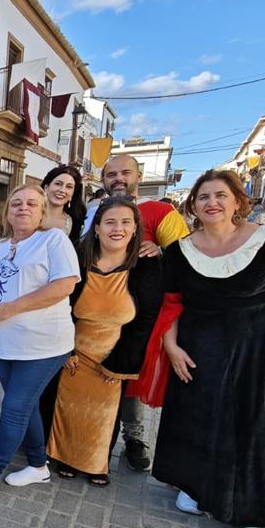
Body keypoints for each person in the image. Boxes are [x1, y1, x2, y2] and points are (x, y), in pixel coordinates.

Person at [136, 170, 265, 528]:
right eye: (203, 197)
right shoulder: (182, 251)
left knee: (253, 427)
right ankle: (198, 490)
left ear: (238, 201)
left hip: (257, 349)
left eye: (220, 195)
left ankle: (258, 514)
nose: (212, 203)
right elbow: (170, 305)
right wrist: (170, 346)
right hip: (197, 347)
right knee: (198, 416)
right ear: (193, 206)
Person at [0, 184, 80, 504]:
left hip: (44, 344)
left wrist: (9, 309)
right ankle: (37, 465)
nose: (23, 208)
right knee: (25, 405)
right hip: (3, 342)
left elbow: (64, 285)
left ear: (43, 210)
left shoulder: (53, 240)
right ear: (7, 212)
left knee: (15, 406)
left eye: (32, 203)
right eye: (16, 203)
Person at [47, 197, 163, 486]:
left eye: (126, 222)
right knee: (69, 408)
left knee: (103, 414)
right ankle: (65, 457)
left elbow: (145, 321)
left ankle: (97, 464)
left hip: (115, 353)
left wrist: (120, 363)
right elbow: (59, 305)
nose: (117, 229)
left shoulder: (147, 267)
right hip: (73, 350)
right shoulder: (77, 258)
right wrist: (66, 350)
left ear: (135, 229)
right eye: (110, 222)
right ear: (96, 227)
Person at [86, 153, 189, 473]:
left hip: (140, 313)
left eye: (125, 173)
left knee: (131, 377)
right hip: (96, 309)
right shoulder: (93, 214)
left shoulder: (161, 211)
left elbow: (187, 257)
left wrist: (161, 251)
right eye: (111, 174)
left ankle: (134, 438)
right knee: (95, 380)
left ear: (138, 176)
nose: (118, 179)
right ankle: (93, 442)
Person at [41, 164, 85, 244]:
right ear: (46, 187)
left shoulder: (76, 223)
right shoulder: (28, 213)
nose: (62, 190)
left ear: (73, 193)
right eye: (58, 184)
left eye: (69, 187)